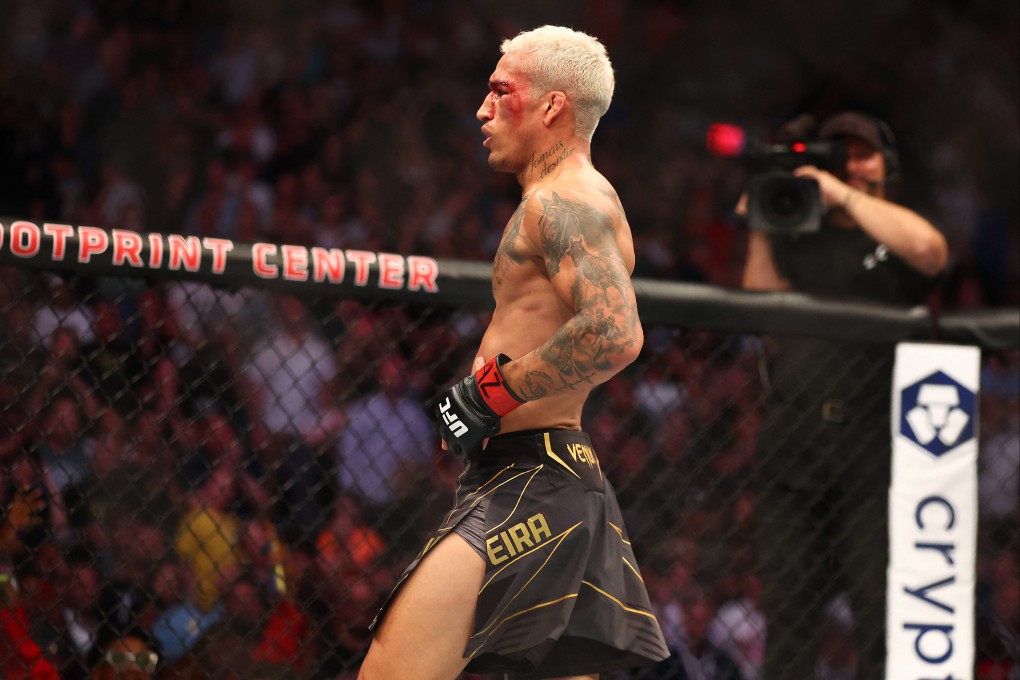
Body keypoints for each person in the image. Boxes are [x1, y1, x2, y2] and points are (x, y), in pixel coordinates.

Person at [358, 25, 669, 680]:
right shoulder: (567, 198)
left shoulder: (565, 202)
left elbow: (615, 331)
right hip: (549, 476)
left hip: (534, 485)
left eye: (501, 91)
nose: (482, 109)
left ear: (553, 106)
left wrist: (490, 393)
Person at [740, 110, 949, 679]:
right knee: (788, 611)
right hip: (793, 437)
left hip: (871, 442)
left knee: (877, 611)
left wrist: (843, 194)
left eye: (864, 154)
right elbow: (759, 302)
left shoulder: (898, 235)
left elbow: (932, 251)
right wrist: (762, 215)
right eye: (841, 154)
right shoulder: (802, 230)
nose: (852, 164)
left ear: (886, 166)